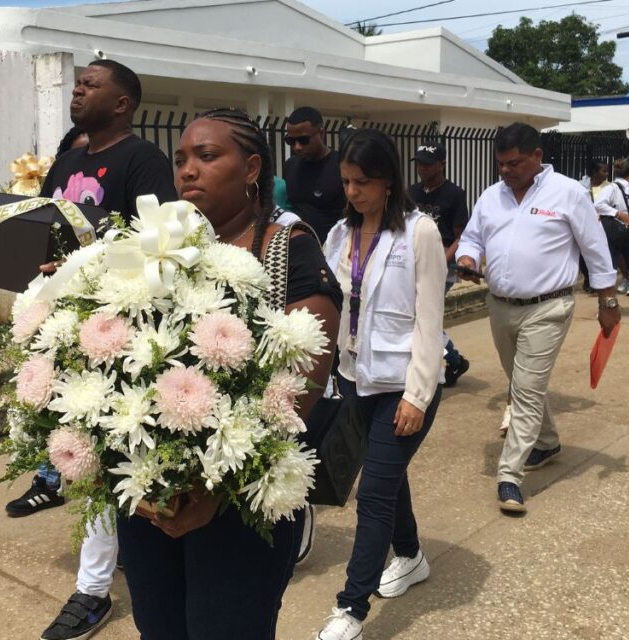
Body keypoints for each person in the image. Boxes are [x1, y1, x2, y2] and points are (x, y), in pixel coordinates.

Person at [0, 59, 178, 640]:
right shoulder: (65, 162)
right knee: (83, 459)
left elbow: (156, 243)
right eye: (77, 82)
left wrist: (89, 267)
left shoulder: (143, 161)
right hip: (60, 334)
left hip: (118, 336)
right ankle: (111, 563)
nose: (78, 88)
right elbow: (29, 239)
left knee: (104, 459)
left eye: (92, 83)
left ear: (122, 102)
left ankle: (94, 592)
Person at [116, 107, 342, 640]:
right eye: (181, 159)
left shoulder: (289, 247)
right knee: (160, 628)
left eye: (207, 156)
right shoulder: (161, 252)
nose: (187, 170)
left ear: (251, 169)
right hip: (153, 494)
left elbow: (303, 378)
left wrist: (215, 490)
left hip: (241, 498)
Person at [316, 129, 446, 640]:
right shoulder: (339, 236)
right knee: (388, 478)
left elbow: (430, 323)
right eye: (347, 182)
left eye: (363, 182)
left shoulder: (420, 233)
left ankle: (350, 609)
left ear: (389, 181)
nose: (352, 192)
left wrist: (418, 395)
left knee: (371, 494)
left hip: (402, 385)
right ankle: (411, 555)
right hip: (354, 380)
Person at [456, 123, 619, 514]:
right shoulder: (491, 196)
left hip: (549, 307)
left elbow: (594, 247)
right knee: (521, 380)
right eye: (500, 164)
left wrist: (608, 301)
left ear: (536, 157)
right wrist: (466, 256)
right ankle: (546, 443)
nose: (505, 171)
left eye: (513, 163)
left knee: (524, 390)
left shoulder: (567, 193)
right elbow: (473, 237)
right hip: (498, 305)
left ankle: (509, 475)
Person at [407, 141, 470, 387]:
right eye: (420, 163)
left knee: (423, 315)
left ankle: (451, 360)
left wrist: (442, 261)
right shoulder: (412, 192)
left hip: (442, 265)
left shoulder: (454, 194)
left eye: (428, 163)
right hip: (414, 261)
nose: (422, 168)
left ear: (442, 164)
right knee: (415, 315)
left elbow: (460, 235)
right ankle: (454, 359)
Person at [282, 106, 347, 243]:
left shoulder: (341, 165)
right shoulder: (290, 166)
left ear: (321, 133)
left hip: (332, 250)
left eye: (304, 140)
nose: (297, 147)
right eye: (291, 141)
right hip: (298, 248)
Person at [594, 158, 629, 315]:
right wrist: (618, 214)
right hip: (615, 234)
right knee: (610, 269)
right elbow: (598, 205)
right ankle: (606, 304)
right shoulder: (612, 188)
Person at [578, 159, 610, 294]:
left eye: (607, 171)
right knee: (582, 255)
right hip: (583, 224)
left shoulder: (609, 188)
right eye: (604, 171)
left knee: (597, 254)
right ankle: (587, 278)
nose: (607, 174)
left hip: (601, 225)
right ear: (594, 172)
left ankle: (598, 283)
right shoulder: (580, 186)